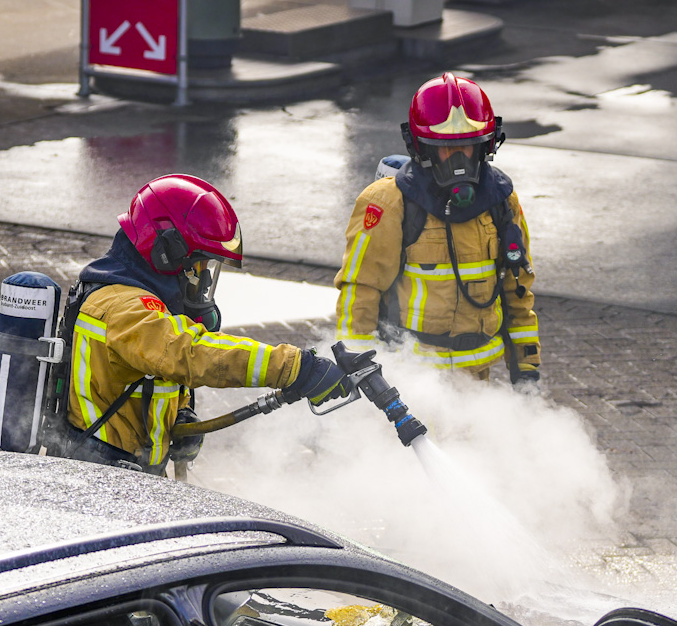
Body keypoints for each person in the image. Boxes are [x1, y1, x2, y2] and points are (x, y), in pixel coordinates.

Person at [54, 175, 346, 473]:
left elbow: (152, 369)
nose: (204, 280)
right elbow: (187, 352)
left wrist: (180, 415)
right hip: (98, 477)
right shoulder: (121, 307)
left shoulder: (138, 295)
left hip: (130, 472)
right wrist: (294, 369)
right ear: (166, 253)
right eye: (200, 267)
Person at [334, 73, 540, 382]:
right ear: (422, 149)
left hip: (477, 381)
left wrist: (527, 370)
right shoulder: (389, 203)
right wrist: (360, 373)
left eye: (468, 148)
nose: (459, 162)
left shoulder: (502, 202)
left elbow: (518, 291)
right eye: (446, 149)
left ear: (486, 147)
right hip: (412, 377)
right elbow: (360, 291)